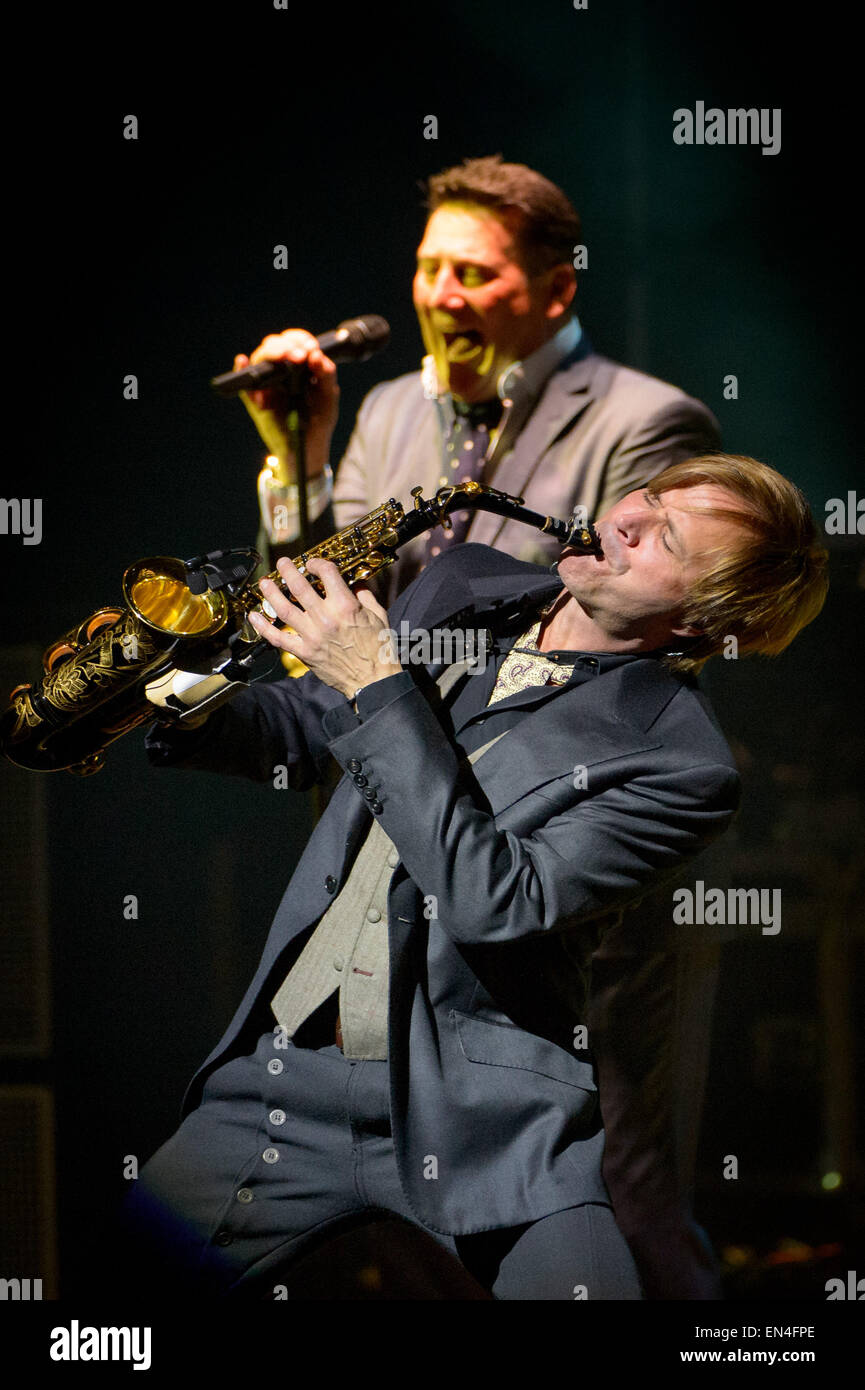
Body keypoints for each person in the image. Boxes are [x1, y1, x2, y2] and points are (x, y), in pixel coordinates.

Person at [124, 453, 827, 1300]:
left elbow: (496, 899)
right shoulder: (466, 583)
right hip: (289, 1077)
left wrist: (374, 679)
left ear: (696, 621)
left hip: (482, 1118)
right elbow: (310, 731)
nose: (626, 520)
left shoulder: (679, 764)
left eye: (663, 538)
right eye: (645, 496)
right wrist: (170, 684)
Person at [234, 155, 721, 605]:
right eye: (430, 269)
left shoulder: (649, 421)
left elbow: (627, 623)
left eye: (472, 274)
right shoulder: (389, 407)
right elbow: (314, 607)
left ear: (556, 290)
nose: (440, 296)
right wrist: (301, 460)